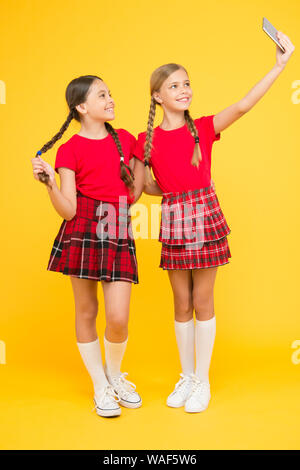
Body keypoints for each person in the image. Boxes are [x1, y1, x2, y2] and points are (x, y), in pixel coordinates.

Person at [134, 31, 294, 413]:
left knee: (202, 299)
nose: (184, 89)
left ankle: (201, 380)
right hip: (174, 216)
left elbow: (242, 105)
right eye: (174, 85)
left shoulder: (203, 128)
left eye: (187, 83)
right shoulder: (146, 140)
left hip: (204, 213)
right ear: (158, 96)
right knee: (180, 301)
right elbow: (146, 187)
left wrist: (279, 65)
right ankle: (186, 376)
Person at [31, 75, 145, 418]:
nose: (111, 99)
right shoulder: (69, 150)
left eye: (110, 93)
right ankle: (100, 385)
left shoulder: (125, 140)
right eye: (102, 95)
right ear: (82, 107)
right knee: (86, 311)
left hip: (117, 222)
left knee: (118, 317)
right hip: (81, 225)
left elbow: (134, 193)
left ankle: (114, 373)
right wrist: (51, 183)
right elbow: (69, 209)